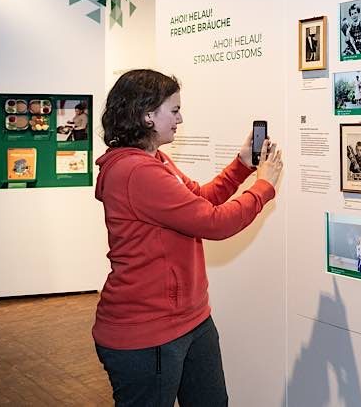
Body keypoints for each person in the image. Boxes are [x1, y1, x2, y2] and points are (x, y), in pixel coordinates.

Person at [92, 69, 283, 406]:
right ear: (148, 115)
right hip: (147, 332)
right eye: (175, 110)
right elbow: (214, 223)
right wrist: (264, 187)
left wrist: (241, 167)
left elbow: (200, 199)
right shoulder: (136, 171)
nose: (181, 118)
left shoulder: (155, 160)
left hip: (191, 320)